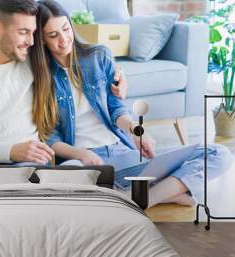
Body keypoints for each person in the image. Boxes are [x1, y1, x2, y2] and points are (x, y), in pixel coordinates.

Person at [30, 0, 234, 207]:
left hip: (120, 153)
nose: (64, 40)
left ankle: (137, 200)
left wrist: (135, 130)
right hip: (83, 162)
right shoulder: (40, 77)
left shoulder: (98, 56)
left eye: (66, 29)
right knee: (62, 178)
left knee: (219, 153)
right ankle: (162, 191)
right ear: (42, 40)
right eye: (53, 35)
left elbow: (115, 107)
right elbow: (49, 137)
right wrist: (80, 153)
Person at [0, 0, 127, 166]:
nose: (30, 42)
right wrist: (11, 151)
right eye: (23, 32)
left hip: (35, 164)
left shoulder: (34, 62)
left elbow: (82, 61)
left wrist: (117, 76)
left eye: (33, 33)